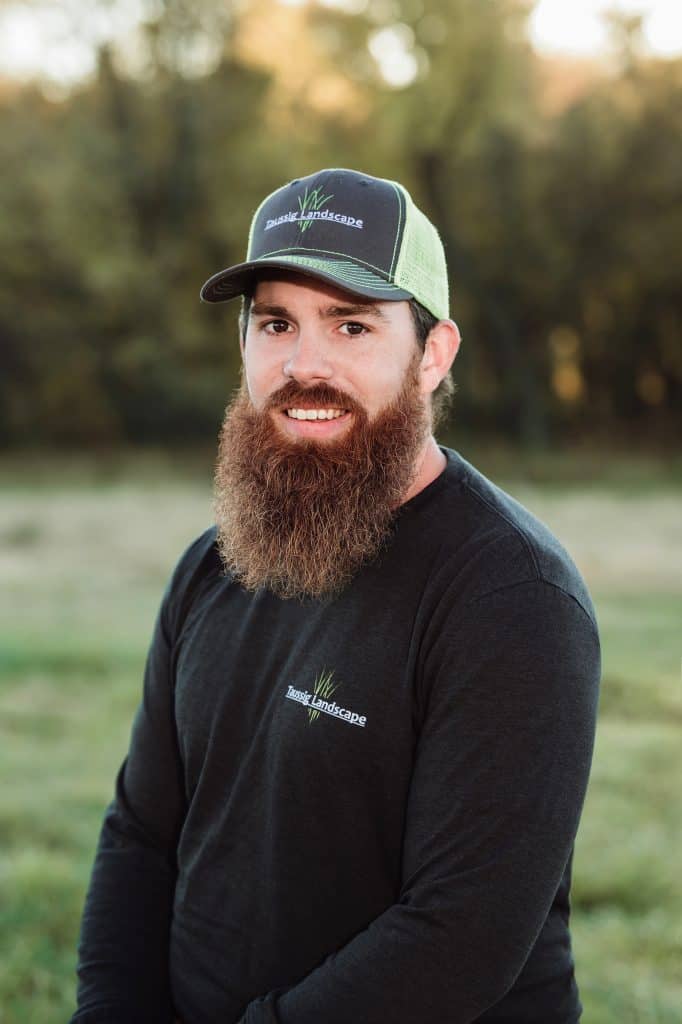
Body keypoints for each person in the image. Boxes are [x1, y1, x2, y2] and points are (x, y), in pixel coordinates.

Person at [71, 168, 600, 1024]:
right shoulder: (212, 566)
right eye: (275, 323)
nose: (302, 365)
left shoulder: (512, 596)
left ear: (433, 354)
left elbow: (460, 935)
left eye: (350, 325)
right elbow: (140, 835)